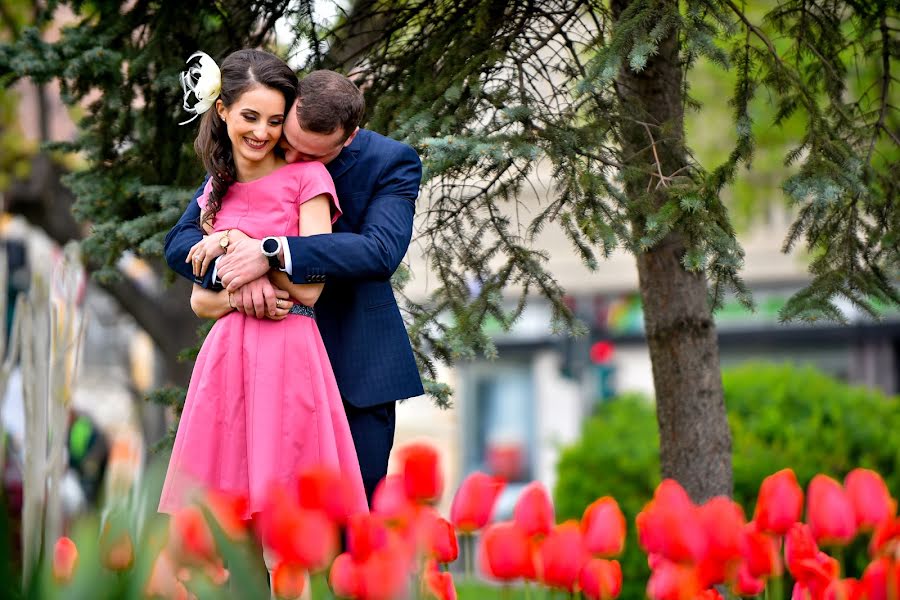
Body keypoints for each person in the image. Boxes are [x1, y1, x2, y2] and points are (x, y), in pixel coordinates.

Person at [164, 69, 424, 502]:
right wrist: (236, 274)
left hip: (354, 365)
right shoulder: (259, 151)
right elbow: (181, 243)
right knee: (258, 513)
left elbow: (379, 251)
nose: (293, 160)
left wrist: (270, 252)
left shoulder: (391, 161)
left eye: (313, 156)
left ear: (349, 138)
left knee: (350, 524)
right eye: (290, 144)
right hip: (263, 364)